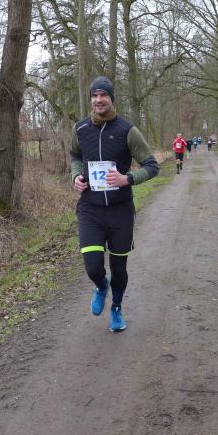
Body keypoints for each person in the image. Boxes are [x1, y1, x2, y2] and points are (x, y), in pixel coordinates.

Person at [70, 76, 160, 332]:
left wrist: (126, 179)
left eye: (103, 95)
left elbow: (152, 166)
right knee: (93, 266)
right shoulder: (80, 129)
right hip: (90, 209)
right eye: (94, 95)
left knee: (119, 268)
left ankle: (117, 309)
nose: (98, 100)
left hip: (120, 211)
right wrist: (75, 176)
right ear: (90, 99)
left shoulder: (127, 130)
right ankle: (101, 286)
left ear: (111, 98)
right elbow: (75, 155)